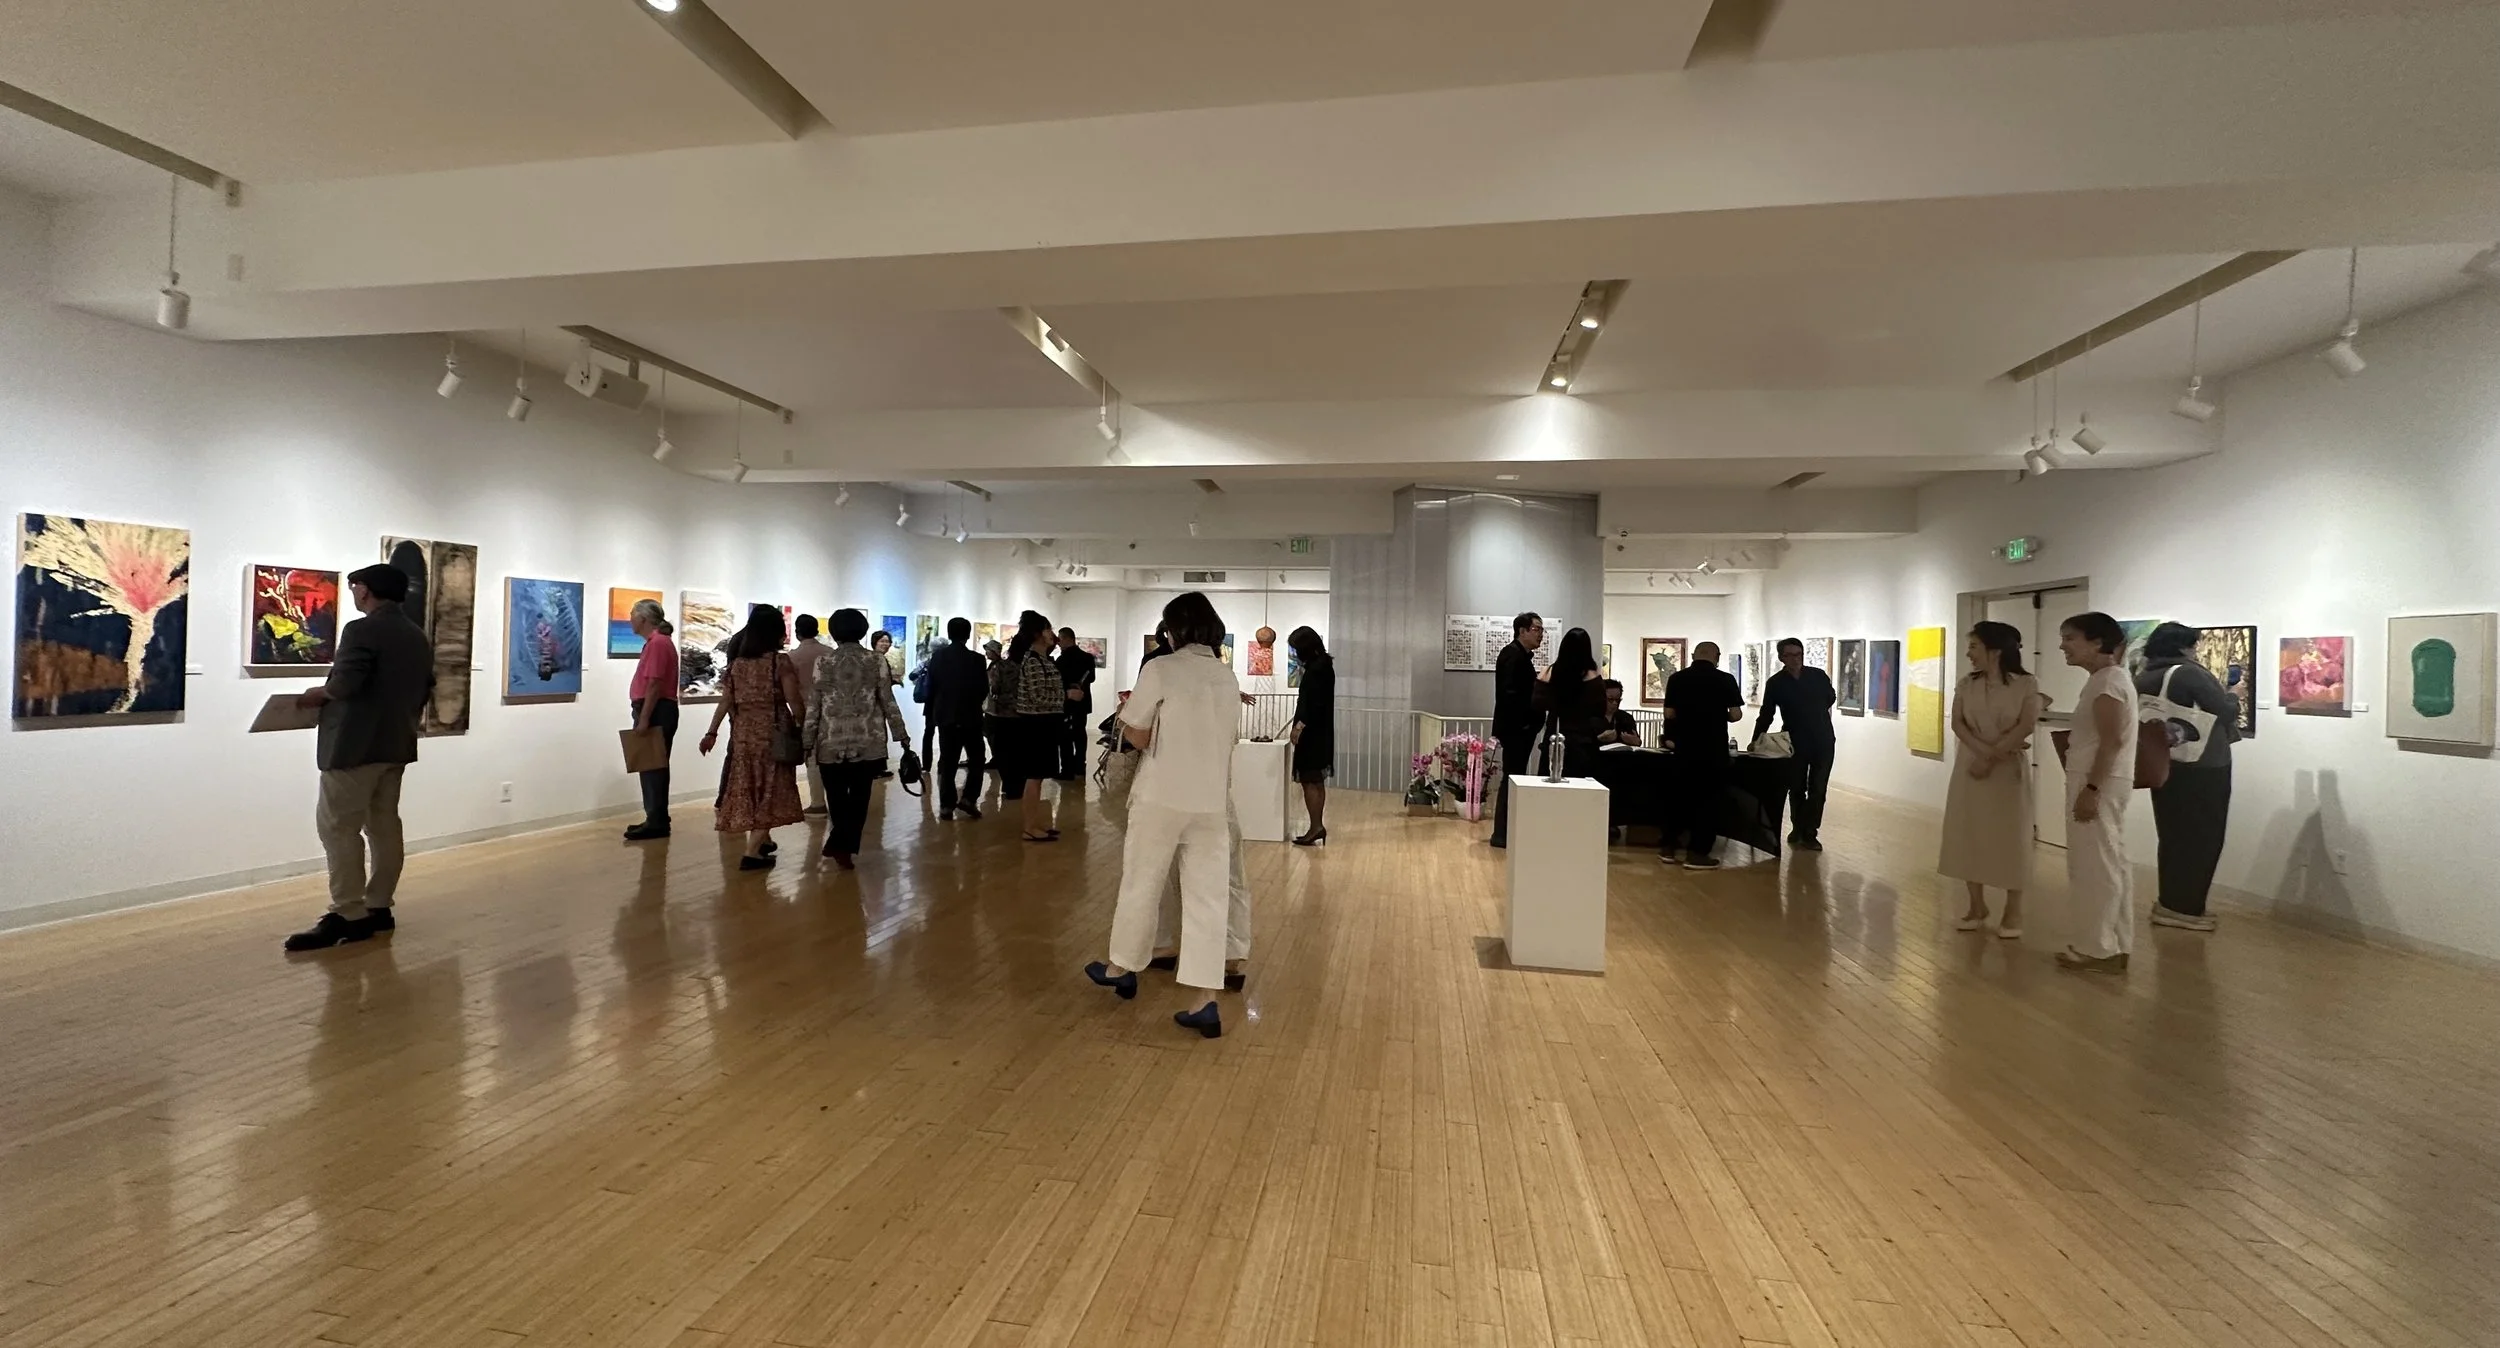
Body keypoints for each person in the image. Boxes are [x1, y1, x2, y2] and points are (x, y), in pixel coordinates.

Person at [1086, 592, 1245, 1039]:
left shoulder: (1160, 668)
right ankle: (1205, 1001)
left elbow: (1135, 735)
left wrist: (1128, 714)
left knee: (1142, 882)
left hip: (1160, 797)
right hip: (1210, 802)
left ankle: (1121, 966)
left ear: (1174, 629)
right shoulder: (1225, 677)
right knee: (1208, 900)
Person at [284, 563, 435, 951]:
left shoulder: (361, 629)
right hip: (395, 744)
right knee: (384, 825)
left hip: (354, 747)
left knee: (338, 827)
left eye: (353, 587)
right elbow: (424, 687)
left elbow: (347, 684)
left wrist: (319, 693)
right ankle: (379, 905)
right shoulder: (416, 635)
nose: (352, 594)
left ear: (365, 590)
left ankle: (348, 913)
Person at [1939, 621, 2043, 938]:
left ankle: (2013, 911)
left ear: (1994, 650)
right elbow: (1958, 723)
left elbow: (2026, 725)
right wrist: (1982, 755)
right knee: (1969, 832)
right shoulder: (1967, 684)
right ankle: (1976, 905)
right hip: (1972, 767)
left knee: (2011, 837)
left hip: (2007, 768)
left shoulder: (2026, 684)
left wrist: (1993, 755)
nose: (1969, 653)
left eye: (1974, 646)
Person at [2137, 623, 2236, 932]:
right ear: (2183, 646)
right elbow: (2223, 711)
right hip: (2202, 766)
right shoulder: (2188, 672)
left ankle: (2170, 901)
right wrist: (2234, 695)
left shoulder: (2143, 674)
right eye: (2194, 645)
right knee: (2202, 837)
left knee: (2173, 835)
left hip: (2164, 763)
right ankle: (2185, 908)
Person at [2057, 611, 2139, 974]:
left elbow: (2111, 740)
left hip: (2098, 780)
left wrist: (2091, 788)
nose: (2063, 646)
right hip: (2103, 779)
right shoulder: (2108, 680)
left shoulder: (2108, 682)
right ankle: (2113, 942)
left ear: (2097, 642)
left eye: (2071, 638)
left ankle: (2097, 947)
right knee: (2109, 861)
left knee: (2095, 865)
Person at [802, 609, 913, 869]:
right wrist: (902, 735)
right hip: (868, 739)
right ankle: (844, 844)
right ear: (863, 631)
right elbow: (887, 700)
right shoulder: (875, 661)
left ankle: (840, 842)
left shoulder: (824, 662)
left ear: (834, 632)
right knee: (860, 797)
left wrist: (807, 739)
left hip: (830, 740)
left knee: (837, 798)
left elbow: (814, 704)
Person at [698, 604, 804, 870]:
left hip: (744, 733)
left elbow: (725, 701)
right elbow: (794, 700)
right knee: (770, 787)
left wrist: (712, 732)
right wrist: (804, 726)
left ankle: (763, 839)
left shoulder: (737, 665)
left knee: (750, 786)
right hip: (773, 732)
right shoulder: (778, 662)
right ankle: (752, 852)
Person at [1659, 640, 1744, 869]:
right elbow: (1735, 715)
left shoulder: (1677, 678)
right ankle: (1697, 853)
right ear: (1716, 656)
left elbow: (1669, 712)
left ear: (1695, 655)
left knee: (1679, 797)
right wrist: (1717, 716)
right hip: (1713, 750)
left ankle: (1668, 847)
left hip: (1684, 748)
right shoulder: (1725, 679)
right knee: (1708, 801)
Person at [1753, 638, 1838, 850]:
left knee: (1818, 788)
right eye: (1789, 655)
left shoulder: (1817, 676)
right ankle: (1798, 827)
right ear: (1782, 657)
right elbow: (1767, 713)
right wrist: (1757, 738)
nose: (1795, 659)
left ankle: (1810, 831)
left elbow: (1830, 697)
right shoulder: (1776, 683)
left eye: (1798, 654)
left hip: (1823, 739)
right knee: (1796, 787)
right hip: (1794, 741)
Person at [1003, 611, 1064, 842]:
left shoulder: (1042, 659)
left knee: (1037, 777)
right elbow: (1038, 696)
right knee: (1034, 776)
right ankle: (1029, 827)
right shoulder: (1033, 661)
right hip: (1035, 725)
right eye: (1048, 629)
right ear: (1038, 633)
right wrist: (1066, 696)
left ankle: (1034, 823)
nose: (1051, 634)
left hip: (1044, 723)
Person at [923, 618, 991, 821]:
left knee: (948, 761)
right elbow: (982, 690)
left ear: (949, 633)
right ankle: (969, 798)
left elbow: (932, 687)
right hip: (971, 717)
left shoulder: (938, 657)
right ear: (968, 634)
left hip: (946, 717)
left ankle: (946, 805)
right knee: (977, 760)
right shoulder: (977, 659)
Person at [623, 598, 679, 842]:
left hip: (656, 709)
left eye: (633, 615)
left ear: (643, 619)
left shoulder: (657, 643)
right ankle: (656, 817)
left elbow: (655, 684)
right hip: (657, 708)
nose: (630, 620)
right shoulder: (658, 642)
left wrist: (644, 718)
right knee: (653, 765)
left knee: (652, 766)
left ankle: (656, 820)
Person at [1487, 612, 1545, 849]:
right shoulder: (1513, 656)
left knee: (1514, 777)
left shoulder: (1520, 656)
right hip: (1516, 731)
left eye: (1542, 630)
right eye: (1536, 629)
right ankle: (1501, 833)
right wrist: (1525, 724)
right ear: (1522, 631)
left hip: (1519, 729)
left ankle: (1506, 831)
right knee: (1511, 778)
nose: (1540, 634)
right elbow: (1511, 696)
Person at [1531, 626, 1607, 779]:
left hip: (1554, 733)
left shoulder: (1548, 672)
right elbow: (1600, 710)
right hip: (1582, 740)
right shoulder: (1593, 678)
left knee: (1550, 782)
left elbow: (1537, 704)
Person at [1286, 626, 1335, 846]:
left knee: (1309, 780)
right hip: (1321, 732)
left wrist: (1298, 727)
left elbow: (1311, 703)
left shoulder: (1316, 670)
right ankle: (1317, 825)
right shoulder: (1324, 666)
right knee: (1316, 781)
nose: (1295, 653)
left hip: (1312, 733)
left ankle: (1316, 826)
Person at [787, 614, 832, 815]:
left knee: (812, 758)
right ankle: (837, 800)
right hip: (832, 711)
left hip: (806, 712)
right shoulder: (830, 653)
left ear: (797, 633)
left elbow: (792, 692)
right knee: (833, 756)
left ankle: (817, 803)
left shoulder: (792, 657)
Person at [1055, 626, 1097, 781]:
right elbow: (1091, 678)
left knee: (1065, 736)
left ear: (1067, 638)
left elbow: (1058, 682)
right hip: (1083, 702)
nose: (1058, 643)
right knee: (1080, 733)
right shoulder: (1087, 658)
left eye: (1060, 639)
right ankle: (1080, 767)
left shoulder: (1062, 659)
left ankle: (1067, 769)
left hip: (1067, 702)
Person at [981, 637, 1012, 799]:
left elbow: (995, 686)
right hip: (991, 707)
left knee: (993, 734)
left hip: (995, 708)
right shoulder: (994, 666)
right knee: (989, 734)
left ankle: (997, 758)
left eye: (988, 650)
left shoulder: (998, 667)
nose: (986, 653)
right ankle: (996, 758)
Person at [1597, 679, 1643, 747]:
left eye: (1618, 700)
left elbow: (1636, 740)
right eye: (1610, 699)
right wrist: (1599, 739)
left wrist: (1637, 742)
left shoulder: (1626, 718)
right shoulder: (1589, 717)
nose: (1615, 703)